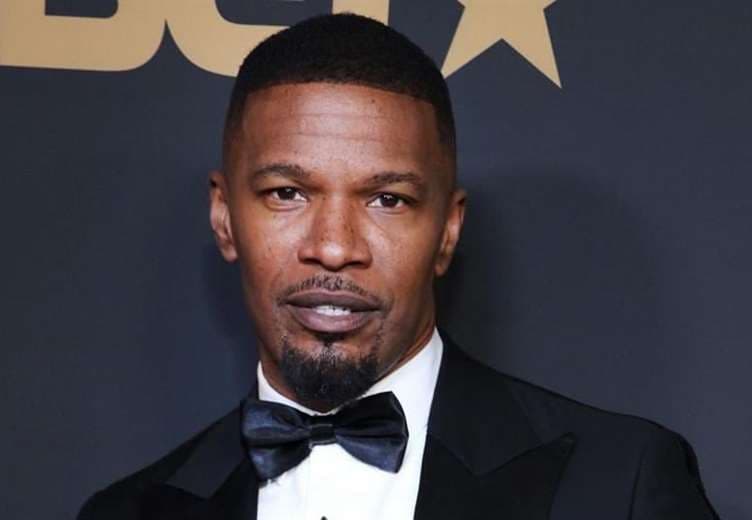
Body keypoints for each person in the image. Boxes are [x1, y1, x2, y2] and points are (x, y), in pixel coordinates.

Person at [78, 13, 718, 520]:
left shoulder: (620, 484)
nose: (334, 247)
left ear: (447, 232)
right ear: (224, 218)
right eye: (287, 193)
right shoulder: (126, 512)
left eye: (388, 200)